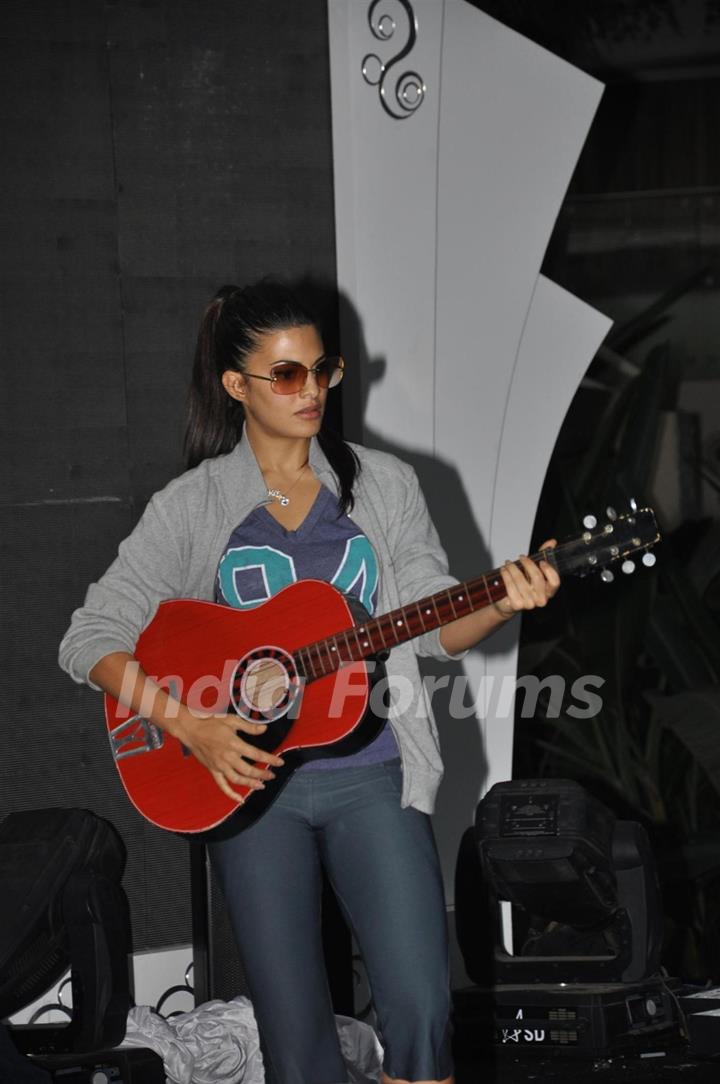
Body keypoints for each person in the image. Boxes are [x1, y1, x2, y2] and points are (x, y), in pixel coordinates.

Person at [59, 281, 560, 1084]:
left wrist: (500, 600)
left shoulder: (385, 485)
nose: (312, 391)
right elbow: (89, 639)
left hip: (373, 777)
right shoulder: (193, 506)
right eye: (285, 375)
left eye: (322, 370)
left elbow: (433, 625)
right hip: (250, 789)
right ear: (236, 386)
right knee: (296, 1044)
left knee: (424, 1007)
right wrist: (192, 726)